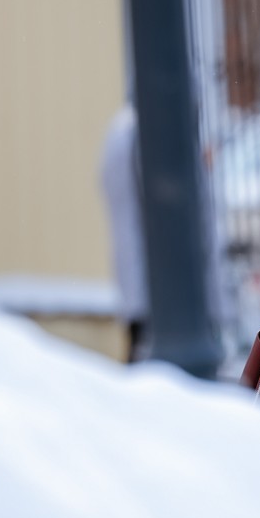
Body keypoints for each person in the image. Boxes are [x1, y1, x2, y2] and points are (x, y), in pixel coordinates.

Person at [100, 104, 149, 361]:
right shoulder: (139, 135)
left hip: (137, 273)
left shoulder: (121, 132)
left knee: (138, 344)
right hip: (152, 278)